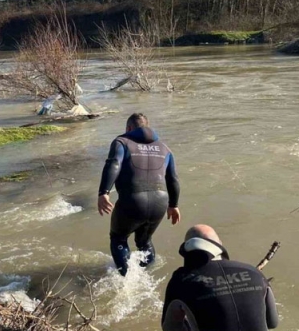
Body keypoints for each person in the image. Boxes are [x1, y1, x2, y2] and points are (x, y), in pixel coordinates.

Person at [97, 113, 181, 276]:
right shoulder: (164, 148)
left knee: (118, 238)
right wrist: (174, 205)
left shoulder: (121, 142)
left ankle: (126, 280)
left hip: (133, 201)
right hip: (160, 202)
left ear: (129, 128)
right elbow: (173, 179)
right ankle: (146, 277)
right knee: (144, 241)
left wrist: (103, 192)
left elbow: (114, 163)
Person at [161, 225, 279, 331]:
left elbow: (170, 328)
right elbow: (272, 323)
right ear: (220, 244)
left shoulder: (181, 281)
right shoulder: (253, 272)